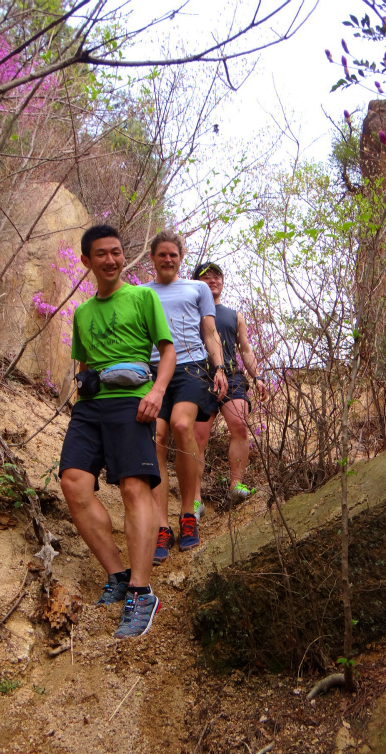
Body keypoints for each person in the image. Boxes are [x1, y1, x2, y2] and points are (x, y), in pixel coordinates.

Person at [59, 224, 176, 639]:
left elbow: (167, 349)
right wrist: (83, 384)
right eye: (101, 254)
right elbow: (84, 366)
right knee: (73, 482)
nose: (111, 260)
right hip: (91, 408)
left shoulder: (142, 296)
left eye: (117, 252)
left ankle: (142, 593)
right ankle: (119, 574)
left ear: (124, 256)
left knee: (132, 488)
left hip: (134, 401)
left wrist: (158, 392)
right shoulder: (83, 314)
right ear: (87, 262)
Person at [146, 232, 228, 564]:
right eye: (162, 254)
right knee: (157, 439)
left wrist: (219, 367)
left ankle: (188, 514)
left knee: (182, 425)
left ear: (181, 257)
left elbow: (209, 332)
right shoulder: (141, 293)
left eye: (173, 255)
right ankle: (162, 525)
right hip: (152, 372)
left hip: (191, 367)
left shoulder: (197, 289)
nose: (168, 259)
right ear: (152, 258)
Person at [192, 262, 268, 517]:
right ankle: (194, 498)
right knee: (197, 438)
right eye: (206, 277)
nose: (213, 280)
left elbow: (245, 349)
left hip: (232, 376)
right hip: (199, 377)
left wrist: (257, 376)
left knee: (240, 425)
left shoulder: (234, 315)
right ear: (195, 282)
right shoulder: (190, 310)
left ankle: (236, 485)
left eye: (217, 276)